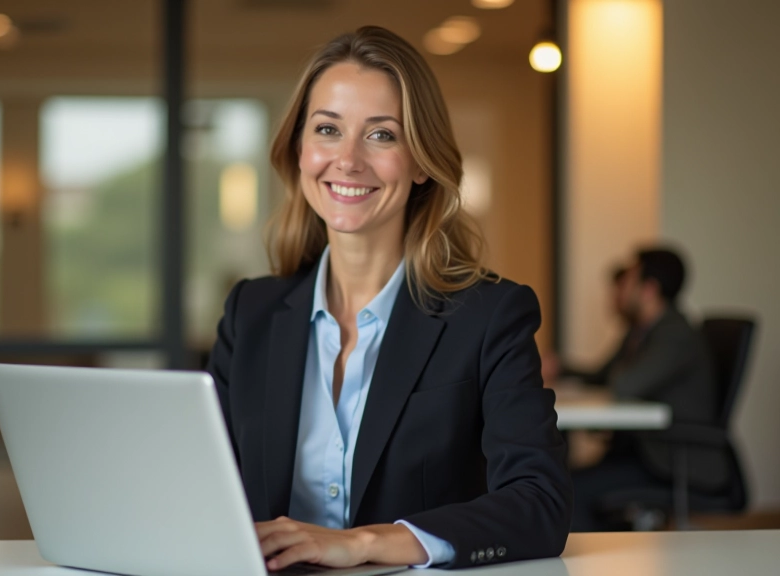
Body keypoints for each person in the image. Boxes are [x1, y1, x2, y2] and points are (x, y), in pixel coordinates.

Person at [206, 26, 571, 571]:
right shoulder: (250, 314)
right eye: (327, 129)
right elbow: (205, 488)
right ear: (299, 151)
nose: (348, 160)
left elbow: (539, 505)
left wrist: (364, 543)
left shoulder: (490, 316)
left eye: (381, 135)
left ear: (422, 162)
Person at [546, 247, 717, 532]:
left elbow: (625, 384)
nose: (622, 288)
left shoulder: (674, 334)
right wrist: (561, 368)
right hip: (643, 452)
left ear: (649, 289)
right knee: (562, 480)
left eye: (629, 280)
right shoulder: (642, 331)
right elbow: (603, 376)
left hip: (671, 460)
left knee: (569, 490)